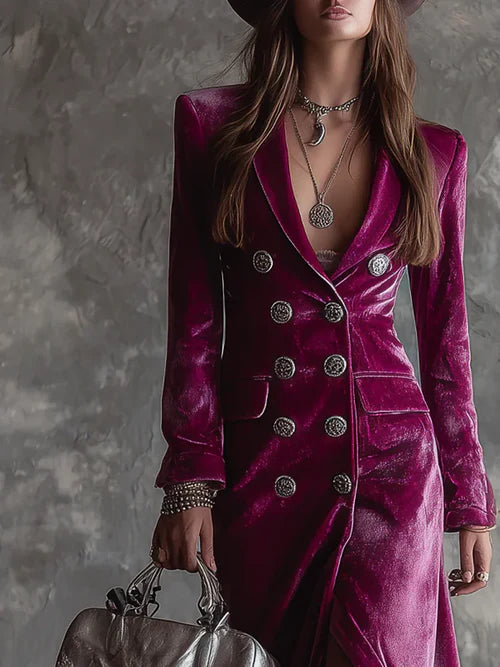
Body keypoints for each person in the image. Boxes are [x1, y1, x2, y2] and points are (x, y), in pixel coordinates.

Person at [150, 1, 497, 665]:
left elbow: (446, 343)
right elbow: (193, 319)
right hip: (266, 468)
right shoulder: (211, 126)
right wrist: (191, 475)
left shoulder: (435, 153)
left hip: (390, 470)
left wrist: (470, 498)